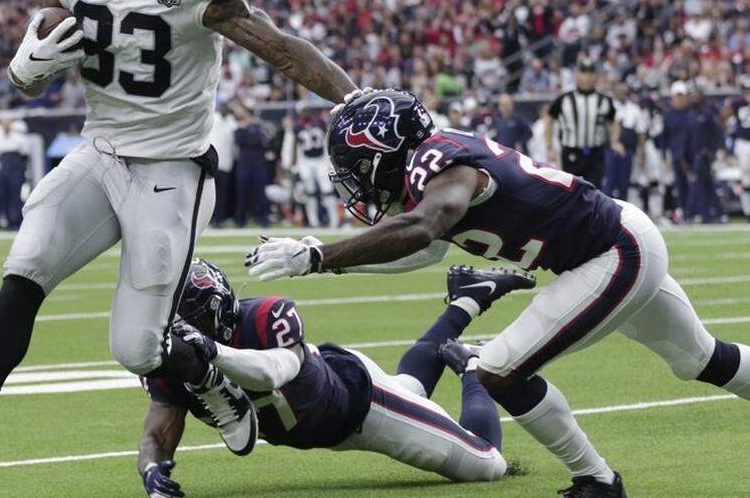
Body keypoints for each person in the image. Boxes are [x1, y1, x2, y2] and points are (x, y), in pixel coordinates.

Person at [0, 0, 357, 495]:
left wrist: (352, 96)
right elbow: (51, 24)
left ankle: (207, 376)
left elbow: (275, 44)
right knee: (25, 266)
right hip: (103, 149)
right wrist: (27, 65)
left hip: (173, 164)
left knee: (138, 349)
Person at [246, 88, 750, 498]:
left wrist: (322, 256)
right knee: (699, 358)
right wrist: (329, 261)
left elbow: (425, 228)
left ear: (382, 153)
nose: (356, 182)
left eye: (356, 166)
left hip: (613, 252)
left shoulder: (440, 164)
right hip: (614, 240)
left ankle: (597, 481)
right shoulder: (435, 156)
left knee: (496, 370)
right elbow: (427, 250)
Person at [139, 260, 517, 498]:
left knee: (486, 465)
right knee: (413, 386)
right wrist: (152, 469)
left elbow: (273, 372)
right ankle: (468, 298)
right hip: (326, 420)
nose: (181, 336)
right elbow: (156, 431)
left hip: (363, 406)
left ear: (218, 312)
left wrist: (211, 350)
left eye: (193, 325)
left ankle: (470, 366)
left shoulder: (265, 316)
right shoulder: (172, 360)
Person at [543, 62, 617, 188]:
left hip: (596, 153)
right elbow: (549, 118)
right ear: (577, 75)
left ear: (596, 76)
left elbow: (614, 120)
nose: (587, 77)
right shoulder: (565, 98)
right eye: (584, 73)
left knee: (595, 192)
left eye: (590, 74)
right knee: (571, 192)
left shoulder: (604, 100)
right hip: (571, 153)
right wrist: (549, 146)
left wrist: (615, 141)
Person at [284, 106, 335, 228]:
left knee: (327, 190)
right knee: (310, 192)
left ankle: (334, 220)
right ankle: (314, 222)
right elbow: (295, 145)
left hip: (320, 159)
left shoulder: (320, 123)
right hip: (306, 161)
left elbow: (327, 139)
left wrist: (330, 159)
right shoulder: (297, 127)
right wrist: (293, 162)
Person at [686, 86, 725, 223]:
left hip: (703, 155)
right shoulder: (689, 114)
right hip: (692, 155)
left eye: (696, 94)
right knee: (707, 184)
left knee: (699, 184)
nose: (694, 97)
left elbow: (717, 133)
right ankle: (717, 213)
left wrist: (713, 150)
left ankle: (696, 214)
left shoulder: (708, 113)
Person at [601, 84, 646, 201]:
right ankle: (606, 212)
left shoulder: (634, 109)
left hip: (628, 150)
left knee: (624, 182)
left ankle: (622, 213)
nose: (621, 94)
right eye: (619, 91)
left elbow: (641, 133)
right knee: (609, 181)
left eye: (624, 92)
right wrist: (614, 144)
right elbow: (606, 128)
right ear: (615, 93)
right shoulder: (609, 107)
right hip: (610, 150)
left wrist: (642, 153)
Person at [233, 104, 271, 227]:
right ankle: (240, 219)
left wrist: (250, 136)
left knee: (260, 192)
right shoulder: (239, 128)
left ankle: (262, 217)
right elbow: (239, 139)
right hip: (244, 164)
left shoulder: (258, 126)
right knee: (242, 193)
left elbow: (263, 140)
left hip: (258, 164)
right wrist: (251, 136)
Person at [663, 81, 695, 220]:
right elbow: (665, 138)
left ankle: (692, 213)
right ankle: (682, 212)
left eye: (682, 96)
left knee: (694, 186)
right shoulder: (668, 115)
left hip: (693, 156)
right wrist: (665, 156)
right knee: (679, 186)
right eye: (677, 96)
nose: (679, 99)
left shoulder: (693, 113)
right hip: (676, 156)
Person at [0, 118, 29, 230]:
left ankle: (18, 221)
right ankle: (7, 221)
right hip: (4, 168)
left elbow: (25, 154)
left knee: (16, 195)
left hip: (16, 169)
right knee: (4, 195)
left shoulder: (18, 138)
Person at [210, 102, 237, 226]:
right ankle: (210, 219)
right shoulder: (213, 119)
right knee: (210, 194)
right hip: (212, 163)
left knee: (222, 195)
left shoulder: (232, 123)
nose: (224, 110)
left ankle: (219, 219)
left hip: (226, 163)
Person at [729, 93, 750, 218]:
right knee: (745, 180)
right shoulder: (737, 103)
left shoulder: (738, 103)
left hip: (742, 142)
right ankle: (747, 212)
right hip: (742, 142)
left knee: (746, 180)